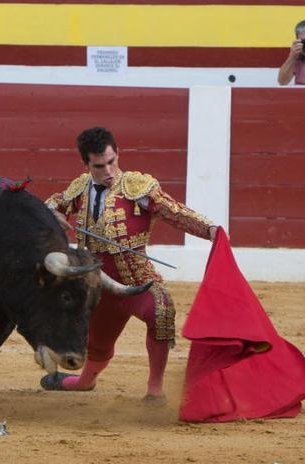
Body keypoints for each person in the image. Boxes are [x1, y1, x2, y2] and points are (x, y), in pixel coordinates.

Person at [40, 127, 218, 402]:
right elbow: (51, 205)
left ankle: (155, 389)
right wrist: (53, 215)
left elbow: (175, 213)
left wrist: (210, 230)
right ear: (86, 164)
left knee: (161, 310)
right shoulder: (81, 189)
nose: (109, 171)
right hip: (97, 285)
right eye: (99, 166)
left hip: (137, 279)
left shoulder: (137, 188)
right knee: (97, 344)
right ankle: (84, 381)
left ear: (117, 154)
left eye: (112, 162)